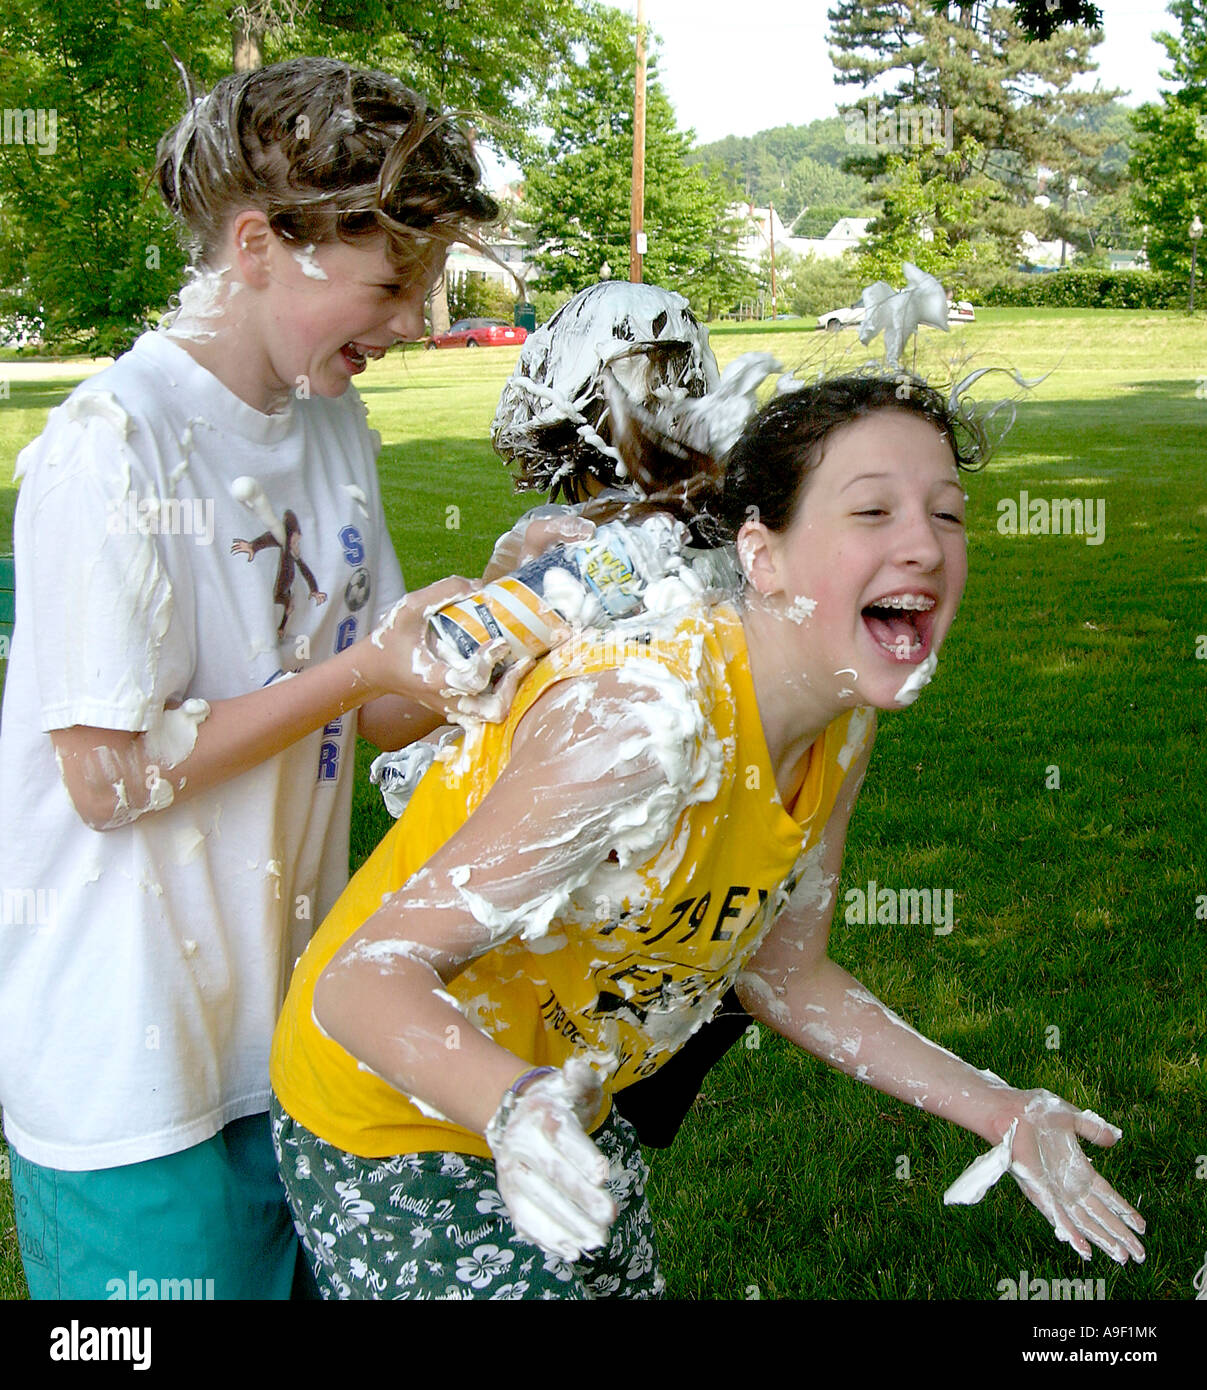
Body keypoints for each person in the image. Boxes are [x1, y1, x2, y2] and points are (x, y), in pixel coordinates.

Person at [269, 371, 1146, 1300]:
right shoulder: (638, 721)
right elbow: (362, 982)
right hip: (388, 1116)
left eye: (947, 515)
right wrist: (514, 1107)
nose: (923, 546)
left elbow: (784, 970)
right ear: (761, 556)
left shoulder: (838, 721)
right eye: (871, 513)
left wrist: (999, 1110)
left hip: (560, 1103)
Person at [0, 57, 516, 1300]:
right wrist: (359, 666)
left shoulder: (329, 427)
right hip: (132, 1071)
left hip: (296, 1037)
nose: (413, 323)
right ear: (257, 244)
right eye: (395, 282)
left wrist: (505, 608)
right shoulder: (110, 443)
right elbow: (110, 781)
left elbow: (376, 704)